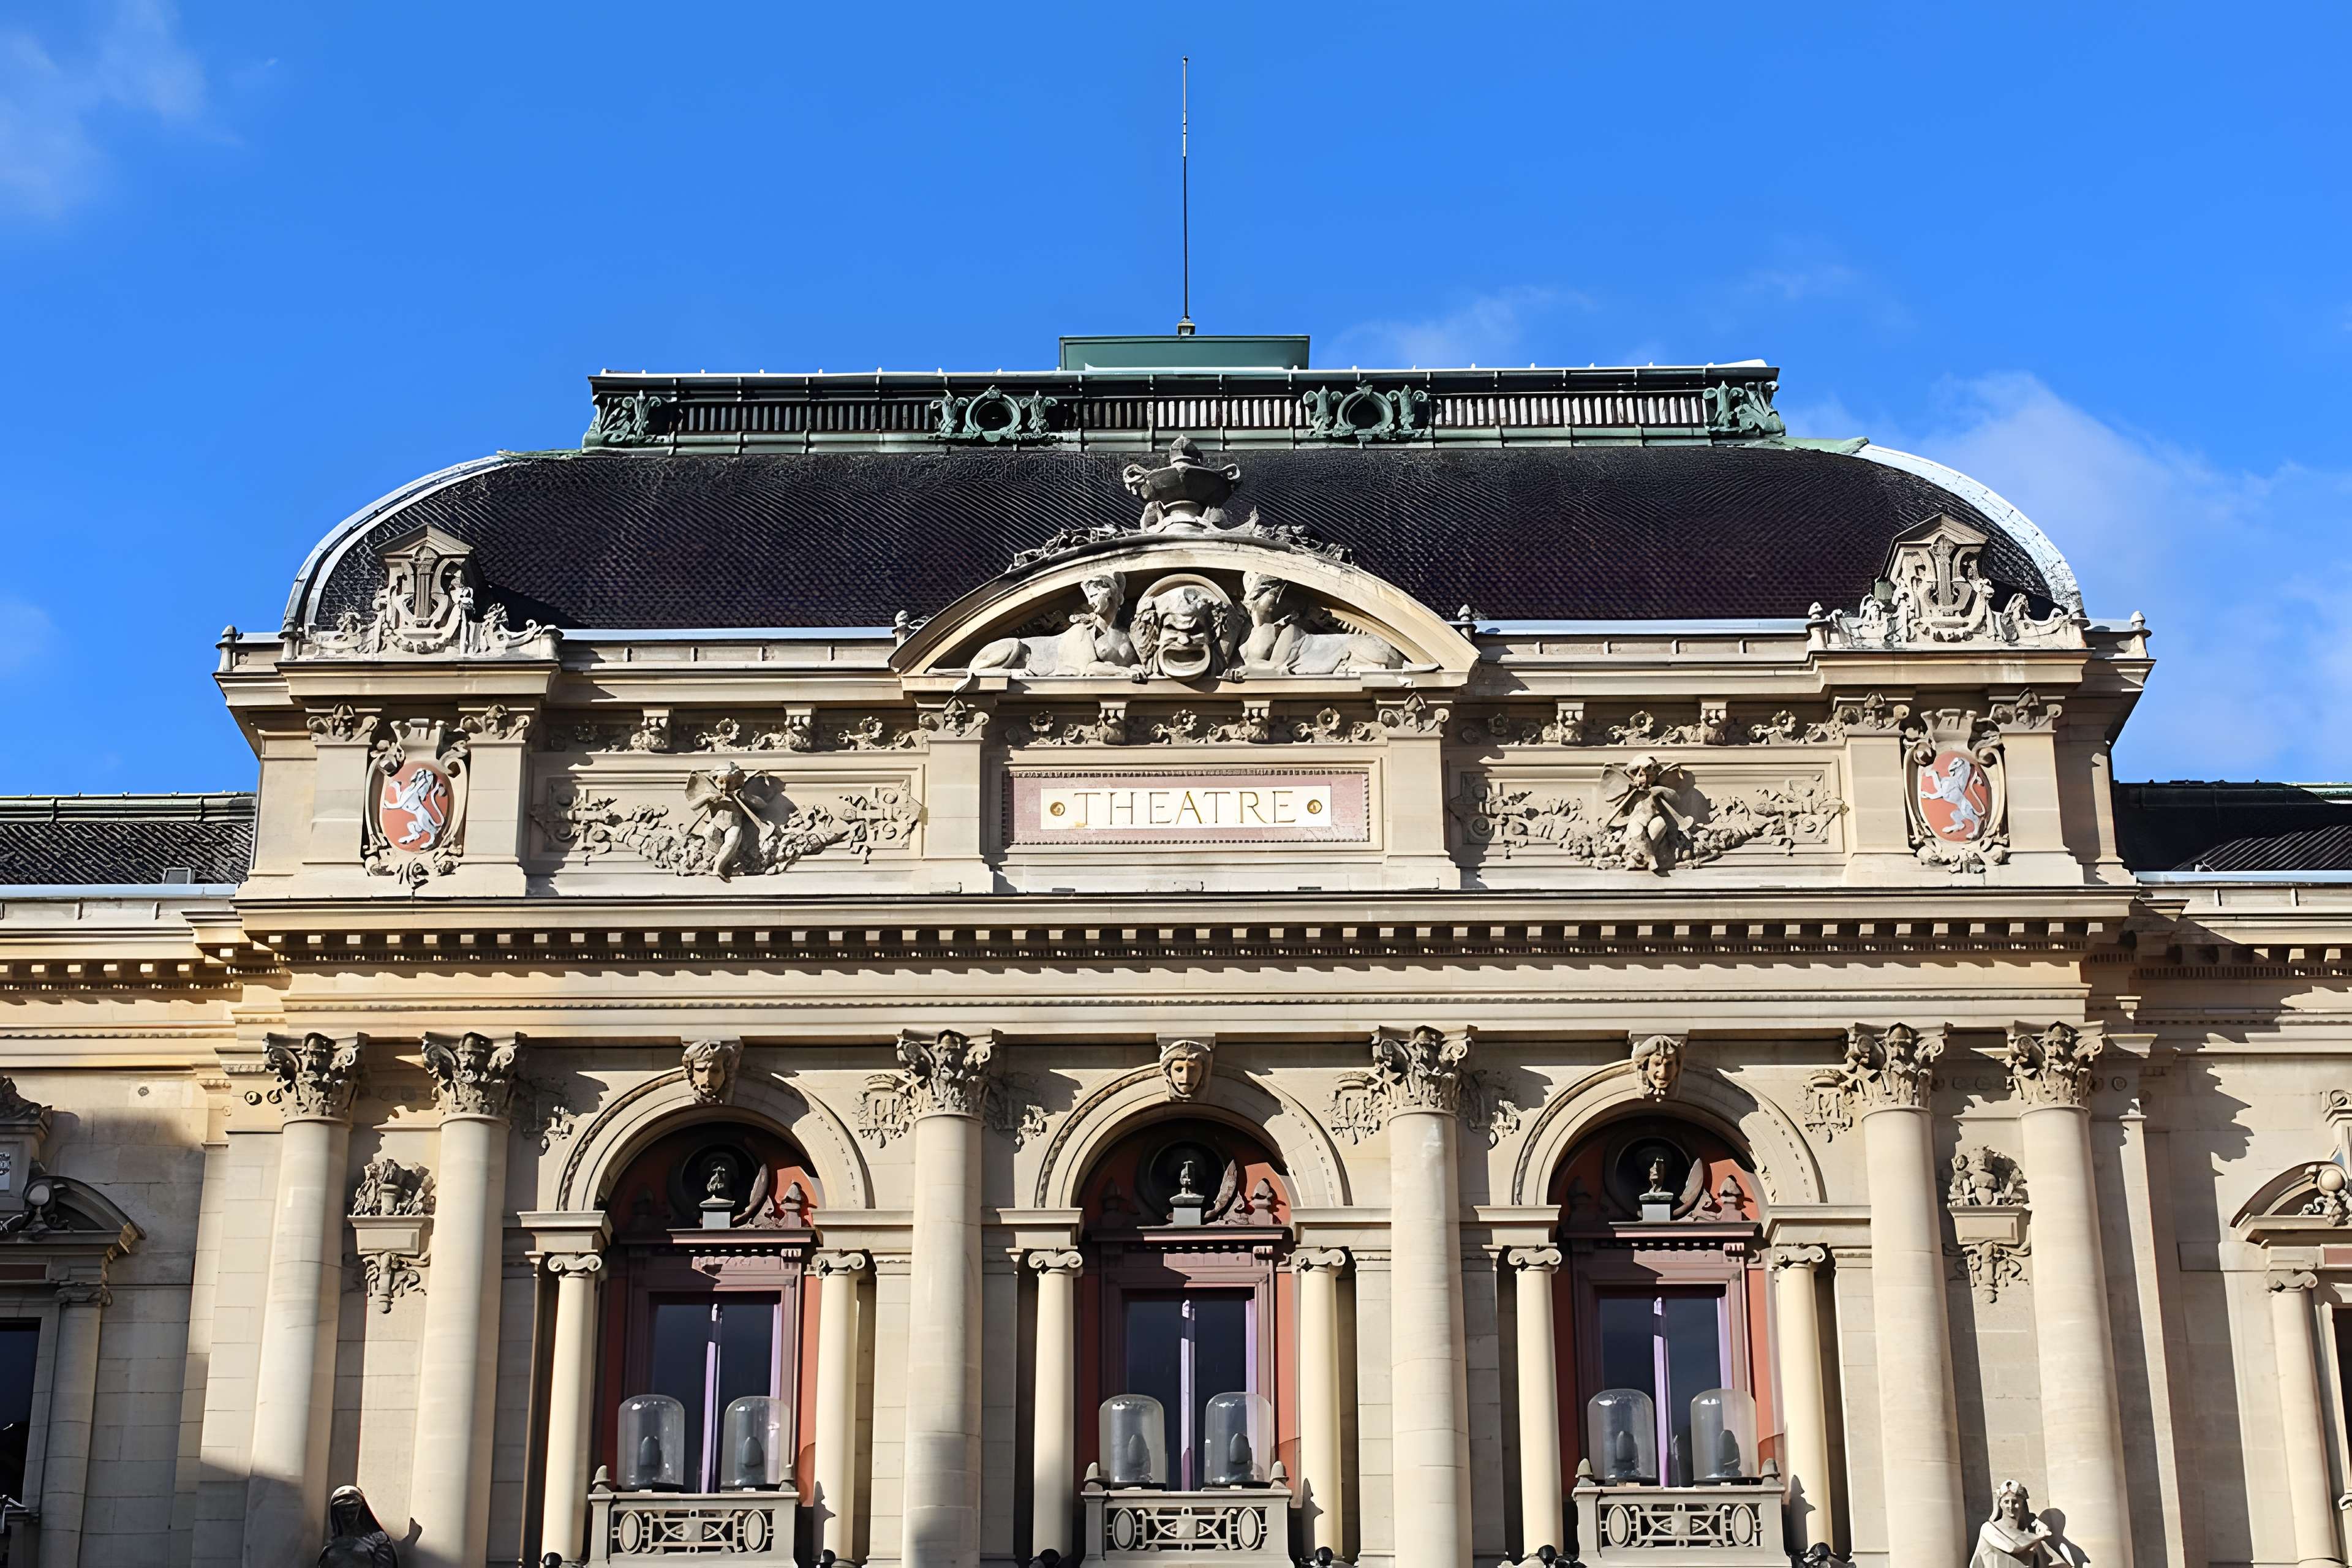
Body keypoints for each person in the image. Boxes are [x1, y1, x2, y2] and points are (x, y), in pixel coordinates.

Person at [1970, 1479, 2057, 1567]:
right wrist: (2039, 1537)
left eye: (2015, 1502)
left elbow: (2054, 1562)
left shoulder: (2029, 1534)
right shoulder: (1989, 1528)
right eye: (2006, 1502)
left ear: (2022, 1504)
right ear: (2000, 1504)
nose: (2011, 1506)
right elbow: (2012, 1547)